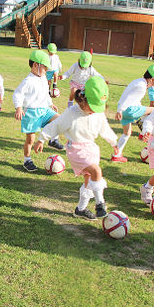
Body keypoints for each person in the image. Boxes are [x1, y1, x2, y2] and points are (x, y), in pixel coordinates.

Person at [34, 77, 118, 220]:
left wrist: (114, 142)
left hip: (91, 148)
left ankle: (80, 209)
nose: (94, 111)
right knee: (96, 171)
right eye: (92, 106)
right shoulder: (72, 113)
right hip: (76, 149)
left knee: (89, 180)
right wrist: (42, 138)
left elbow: (105, 129)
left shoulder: (98, 113)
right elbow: (56, 125)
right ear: (83, 99)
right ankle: (100, 204)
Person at [13, 50, 64, 172]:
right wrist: (19, 107)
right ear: (36, 65)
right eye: (44, 67)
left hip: (44, 110)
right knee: (30, 140)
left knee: (60, 119)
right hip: (31, 113)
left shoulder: (43, 77)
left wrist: (50, 103)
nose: (46, 70)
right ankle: (27, 160)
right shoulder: (28, 81)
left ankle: (52, 139)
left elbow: (45, 93)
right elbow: (17, 94)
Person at [111, 64, 154, 163]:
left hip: (124, 111)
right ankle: (145, 133)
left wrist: (119, 109)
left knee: (127, 133)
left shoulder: (137, 81)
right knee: (153, 109)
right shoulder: (141, 87)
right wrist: (120, 110)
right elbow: (128, 98)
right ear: (152, 79)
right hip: (129, 110)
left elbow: (128, 97)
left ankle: (116, 155)